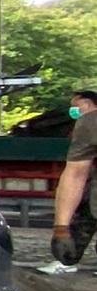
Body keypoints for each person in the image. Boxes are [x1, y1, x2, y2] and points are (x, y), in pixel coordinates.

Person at [39, 89, 97, 275]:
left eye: (76, 107)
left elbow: (75, 174)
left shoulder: (89, 123)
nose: (73, 111)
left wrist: (61, 227)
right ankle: (66, 259)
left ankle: (66, 259)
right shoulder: (89, 123)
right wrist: (61, 227)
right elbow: (75, 174)